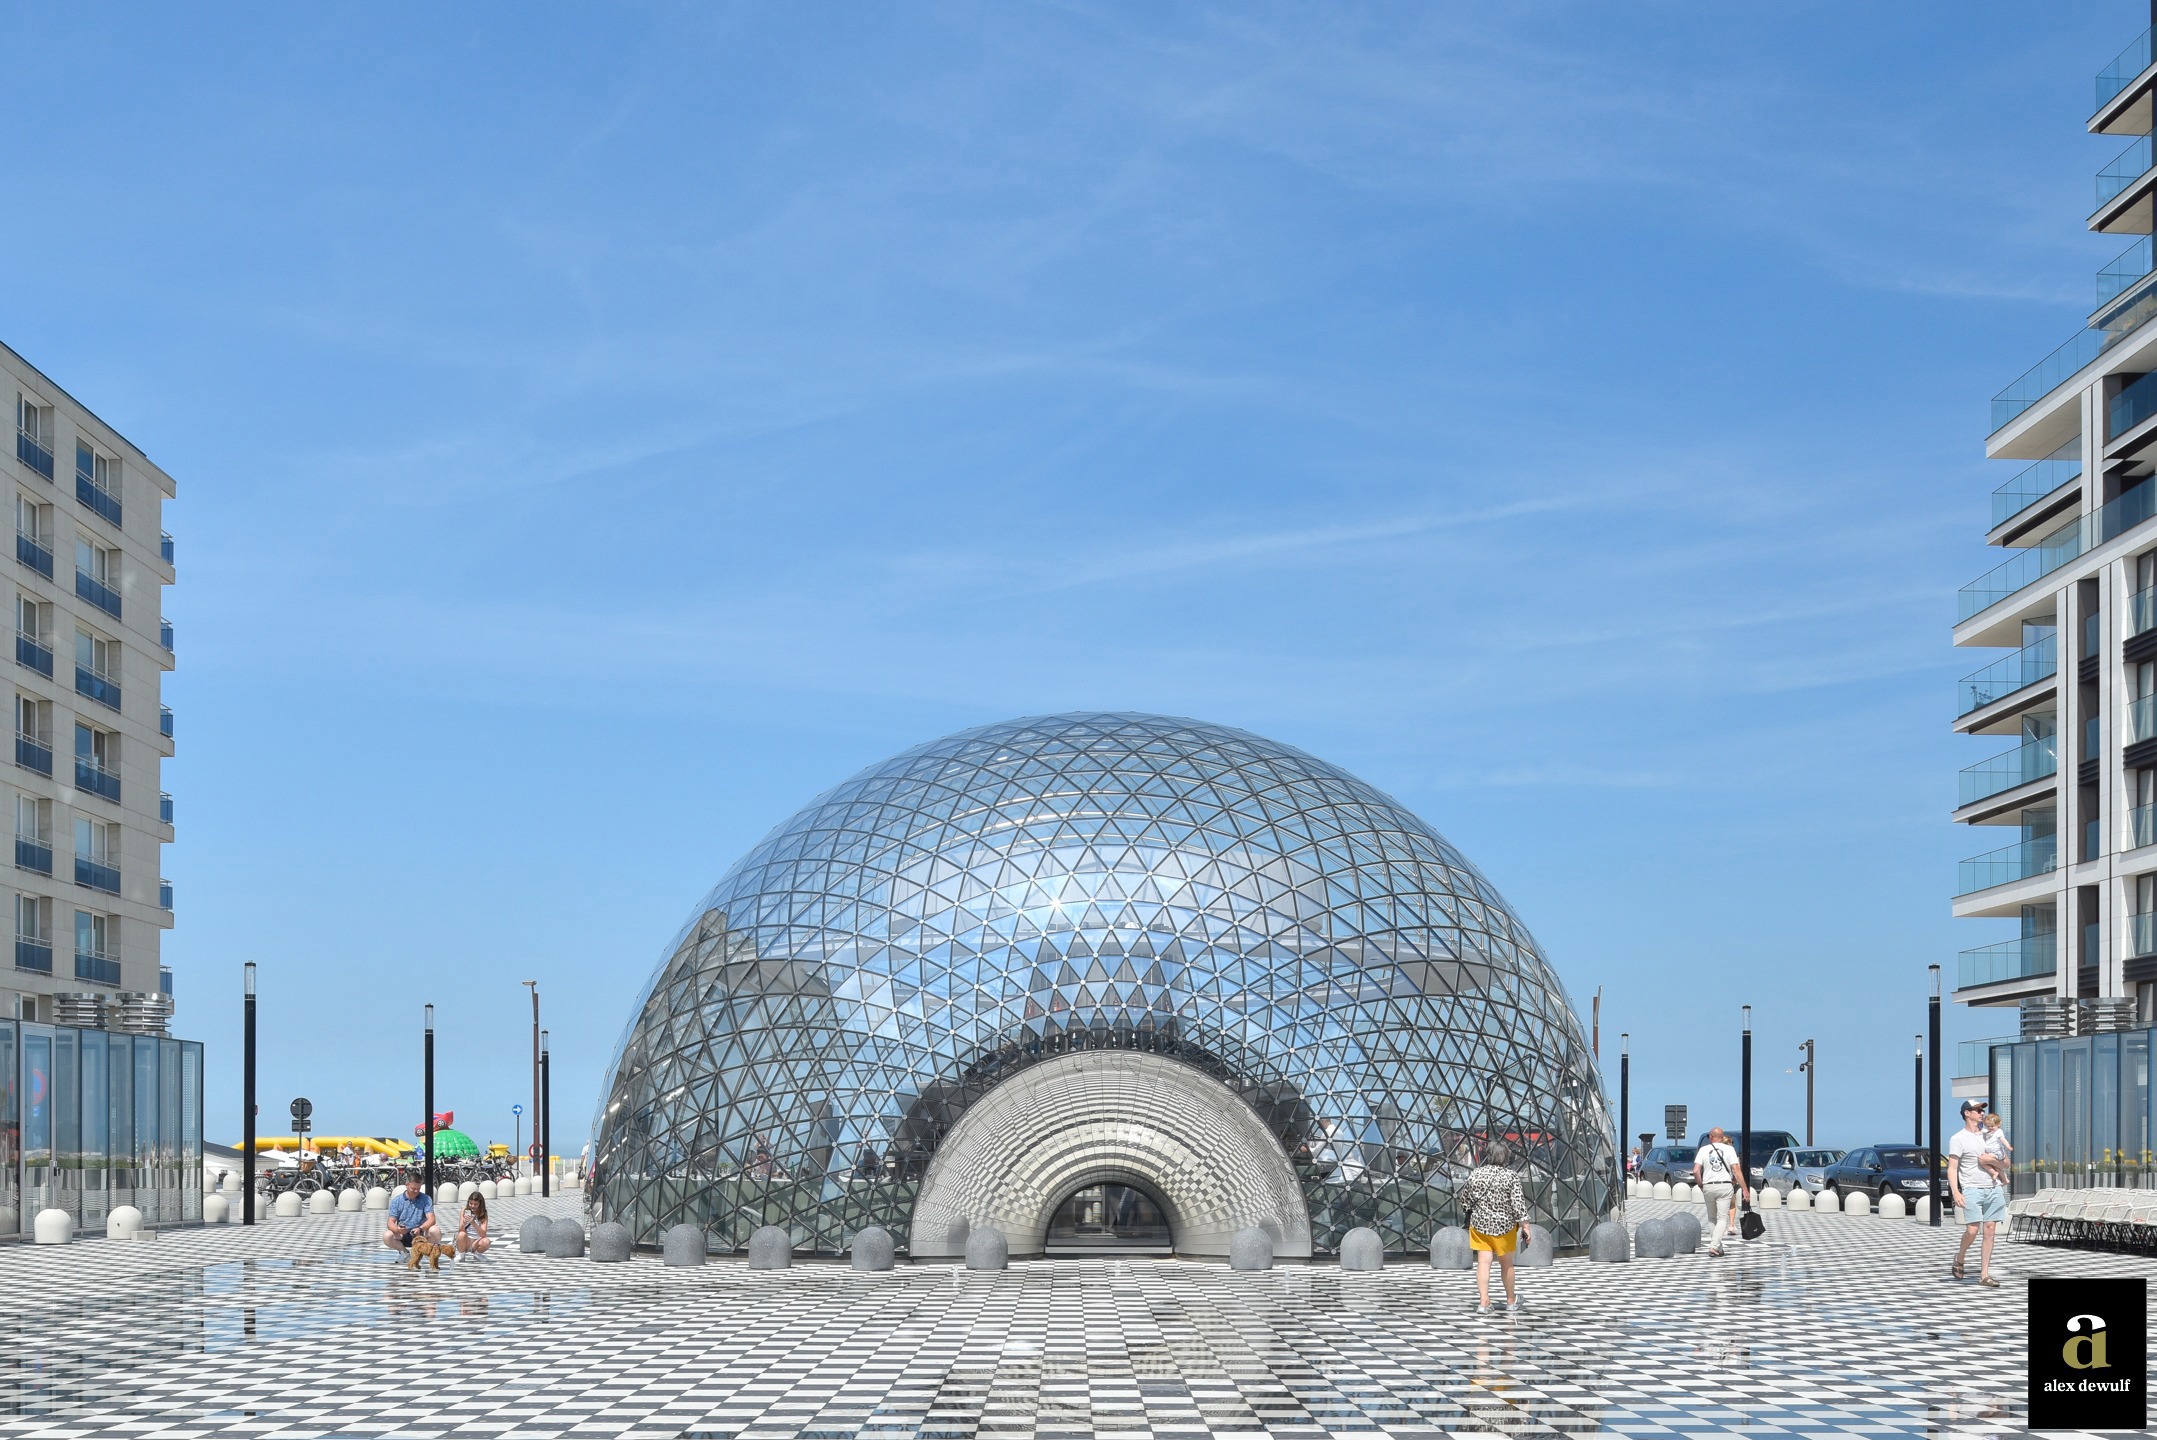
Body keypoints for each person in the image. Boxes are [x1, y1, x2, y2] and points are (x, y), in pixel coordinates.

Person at [1461, 1139, 1532, 1316]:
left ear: (1489, 1155)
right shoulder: (1510, 1176)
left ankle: (1484, 1302)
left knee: (1483, 1263)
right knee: (1506, 1264)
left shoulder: (1476, 1174)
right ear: (1506, 1156)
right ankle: (1510, 1300)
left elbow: (1465, 1200)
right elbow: (1518, 1204)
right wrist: (1526, 1227)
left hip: (1479, 1226)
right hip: (1505, 1227)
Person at [1948, 1099, 2004, 1286]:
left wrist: (1993, 1161)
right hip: (1971, 1188)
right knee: (1972, 1230)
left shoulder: (1990, 1136)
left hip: (1993, 1187)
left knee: (1990, 1230)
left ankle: (1984, 1275)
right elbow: (1952, 1167)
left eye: (1982, 1110)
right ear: (1966, 1113)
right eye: (1977, 1110)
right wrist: (1956, 1192)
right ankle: (1960, 1257)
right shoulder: (1958, 1139)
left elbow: (2006, 1163)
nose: (1981, 1113)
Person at [1692, 1126, 1748, 1257]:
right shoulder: (1730, 1149)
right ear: (1722, 1138)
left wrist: (1700, 1184)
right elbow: (1736, 1170)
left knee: (1712, 1218)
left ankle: (1719, 1248)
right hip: (1724, 1186)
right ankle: (1714, 1246)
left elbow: (1695, 1170)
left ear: (1711, 1137)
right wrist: (1744, 1188)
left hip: (1708, 1186)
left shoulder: (1703, 1149)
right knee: (1722, 1218)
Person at [383, 1174, 440, 1256]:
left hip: (421, 1232)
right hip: (404, 1233)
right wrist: (397, 1229)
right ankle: (404, 1253)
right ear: (407, 1185)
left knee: (435, 1230)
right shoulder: (397, 1200)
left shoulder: (426, 1199)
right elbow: (390, 1222)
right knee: (387, 1236)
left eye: (418, 1188)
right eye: (413, 1188)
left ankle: (426, 1251)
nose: (416, 1191)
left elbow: (432, 1219)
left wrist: (420, 1228)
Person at [1979, 1111, 2014, 1184]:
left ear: (1998, 1125)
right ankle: (2005, 1180)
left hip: (1997, 1152)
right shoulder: (1987, 1132)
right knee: (1996, 1166)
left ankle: (1993, 1173)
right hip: (1992, 1152)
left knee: (1983, 1161)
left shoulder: (1998, 1132)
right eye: (1988, 1126)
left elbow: (2003, 1140)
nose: (1990, 1128)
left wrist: (2008, 1147)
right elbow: (1981, 1130)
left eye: (1992, 1126)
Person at [453, 1191, 490, 1260]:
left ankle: (477, 1254)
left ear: (480, 1204)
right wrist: (463, 1223)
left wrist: (473, 1223)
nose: (472, 1206)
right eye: (471, 1203)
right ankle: (461, 1255)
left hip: (476, 1242)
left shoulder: (483, 1214)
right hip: (466, 1240)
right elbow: (461, 1230)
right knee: (461, 1234)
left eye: (475, 1204)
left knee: (486, 1242)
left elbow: (483, 1234)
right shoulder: (464, 1210)